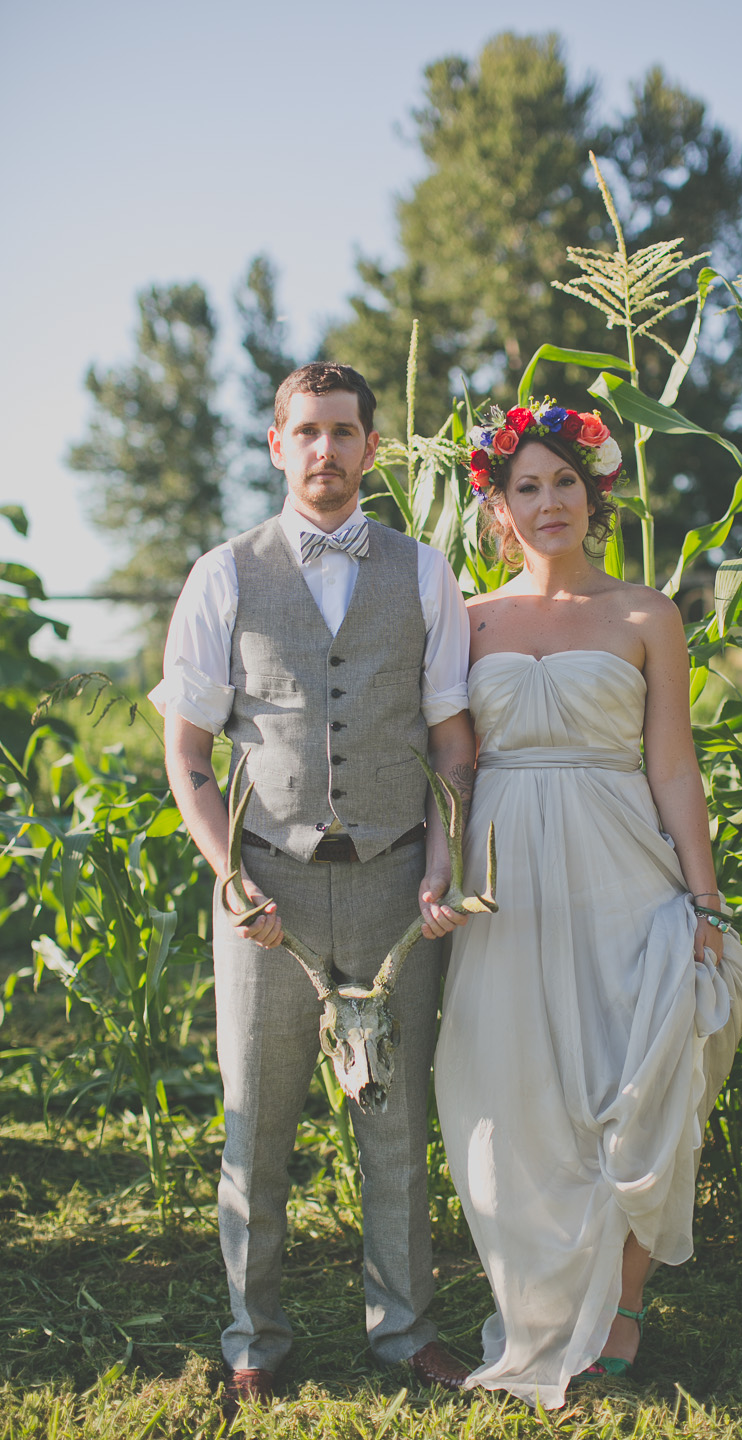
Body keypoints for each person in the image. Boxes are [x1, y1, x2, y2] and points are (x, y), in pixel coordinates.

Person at [150, 361, 477, 1410]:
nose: (326, 451)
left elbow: (454, 745)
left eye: (344, 432)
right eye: (306, 432)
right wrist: (228, 877)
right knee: (259, 1123)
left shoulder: (424, 573)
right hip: (267, 893)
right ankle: (255, 1340)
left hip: (391, 881)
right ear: (278, 445)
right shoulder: (224, 573)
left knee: (396, 1126)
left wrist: (442, 855)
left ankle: (408, 1334)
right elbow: (188, 754)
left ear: (371, 448)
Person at [434, 399, 742, 1409]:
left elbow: (673, 767)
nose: (547, 500)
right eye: (525, 486)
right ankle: (536, 1312)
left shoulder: (644, 613)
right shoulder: (467, 618)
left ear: (595, 492)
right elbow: (453, 769)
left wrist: (703, 899)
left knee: (641, 1079)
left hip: (622, 866)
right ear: (498, 508)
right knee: (508, 1099)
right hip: (509, 885)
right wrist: (440, 875)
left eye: (564, 481)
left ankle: (620, 1308)